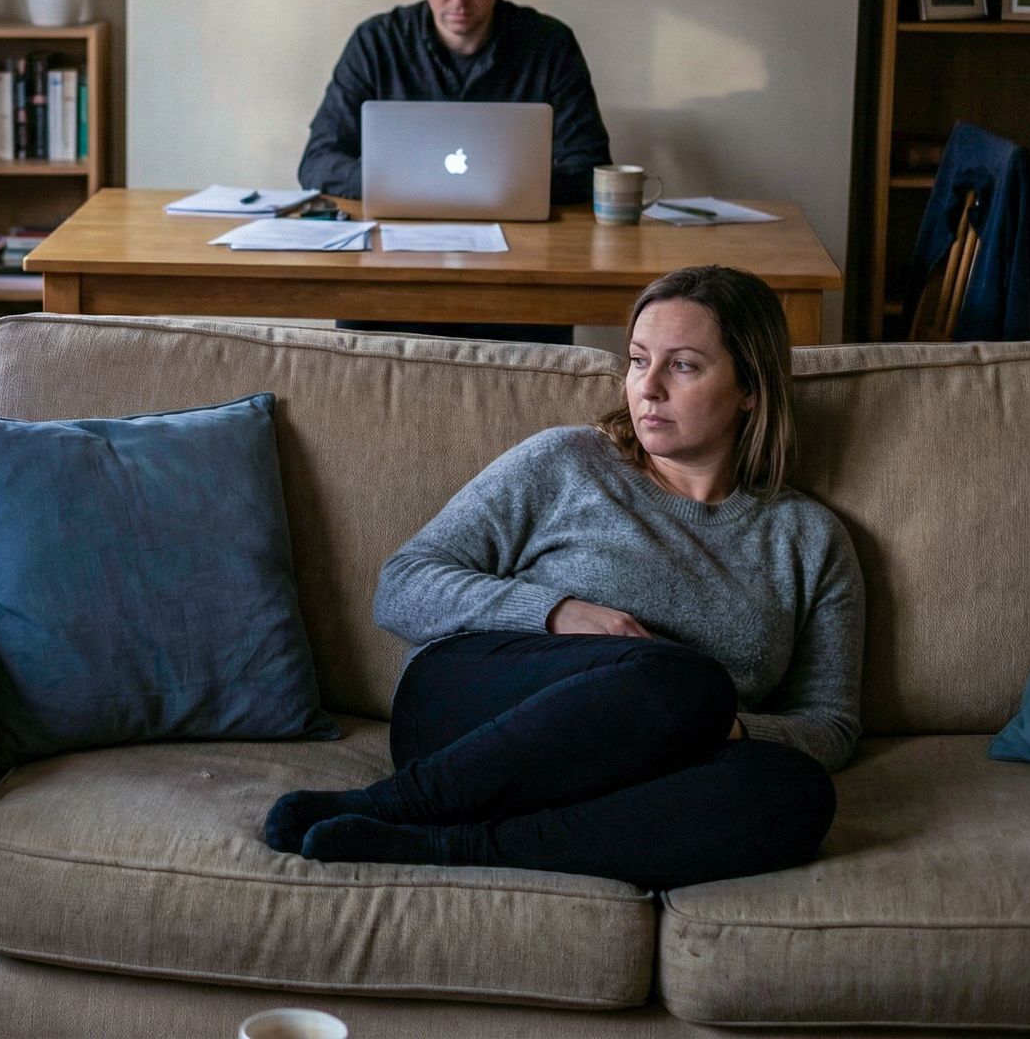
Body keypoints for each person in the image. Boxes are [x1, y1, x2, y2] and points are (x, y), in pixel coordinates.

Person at [262, 265, 864, 891]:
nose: (648, 388)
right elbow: (404, 584)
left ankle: (456, 845)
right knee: (687, 678)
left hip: (646, 766)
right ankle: (396, 803)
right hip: (471, 713)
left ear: (751, 388)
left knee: (795, 792)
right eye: (637, 360)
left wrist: (727, 728)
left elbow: (830, 724)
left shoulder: (808, 539)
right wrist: (558, 613)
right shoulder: (568, 461)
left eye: (683, 366)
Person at [299, 0, 612, 342]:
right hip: (389, 274)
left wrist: (444, 187)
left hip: (519, 274)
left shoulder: (549, 45)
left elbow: (590, 167)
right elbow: (318, 161)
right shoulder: (376, 43)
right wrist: (415, 185)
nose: (458, 0)